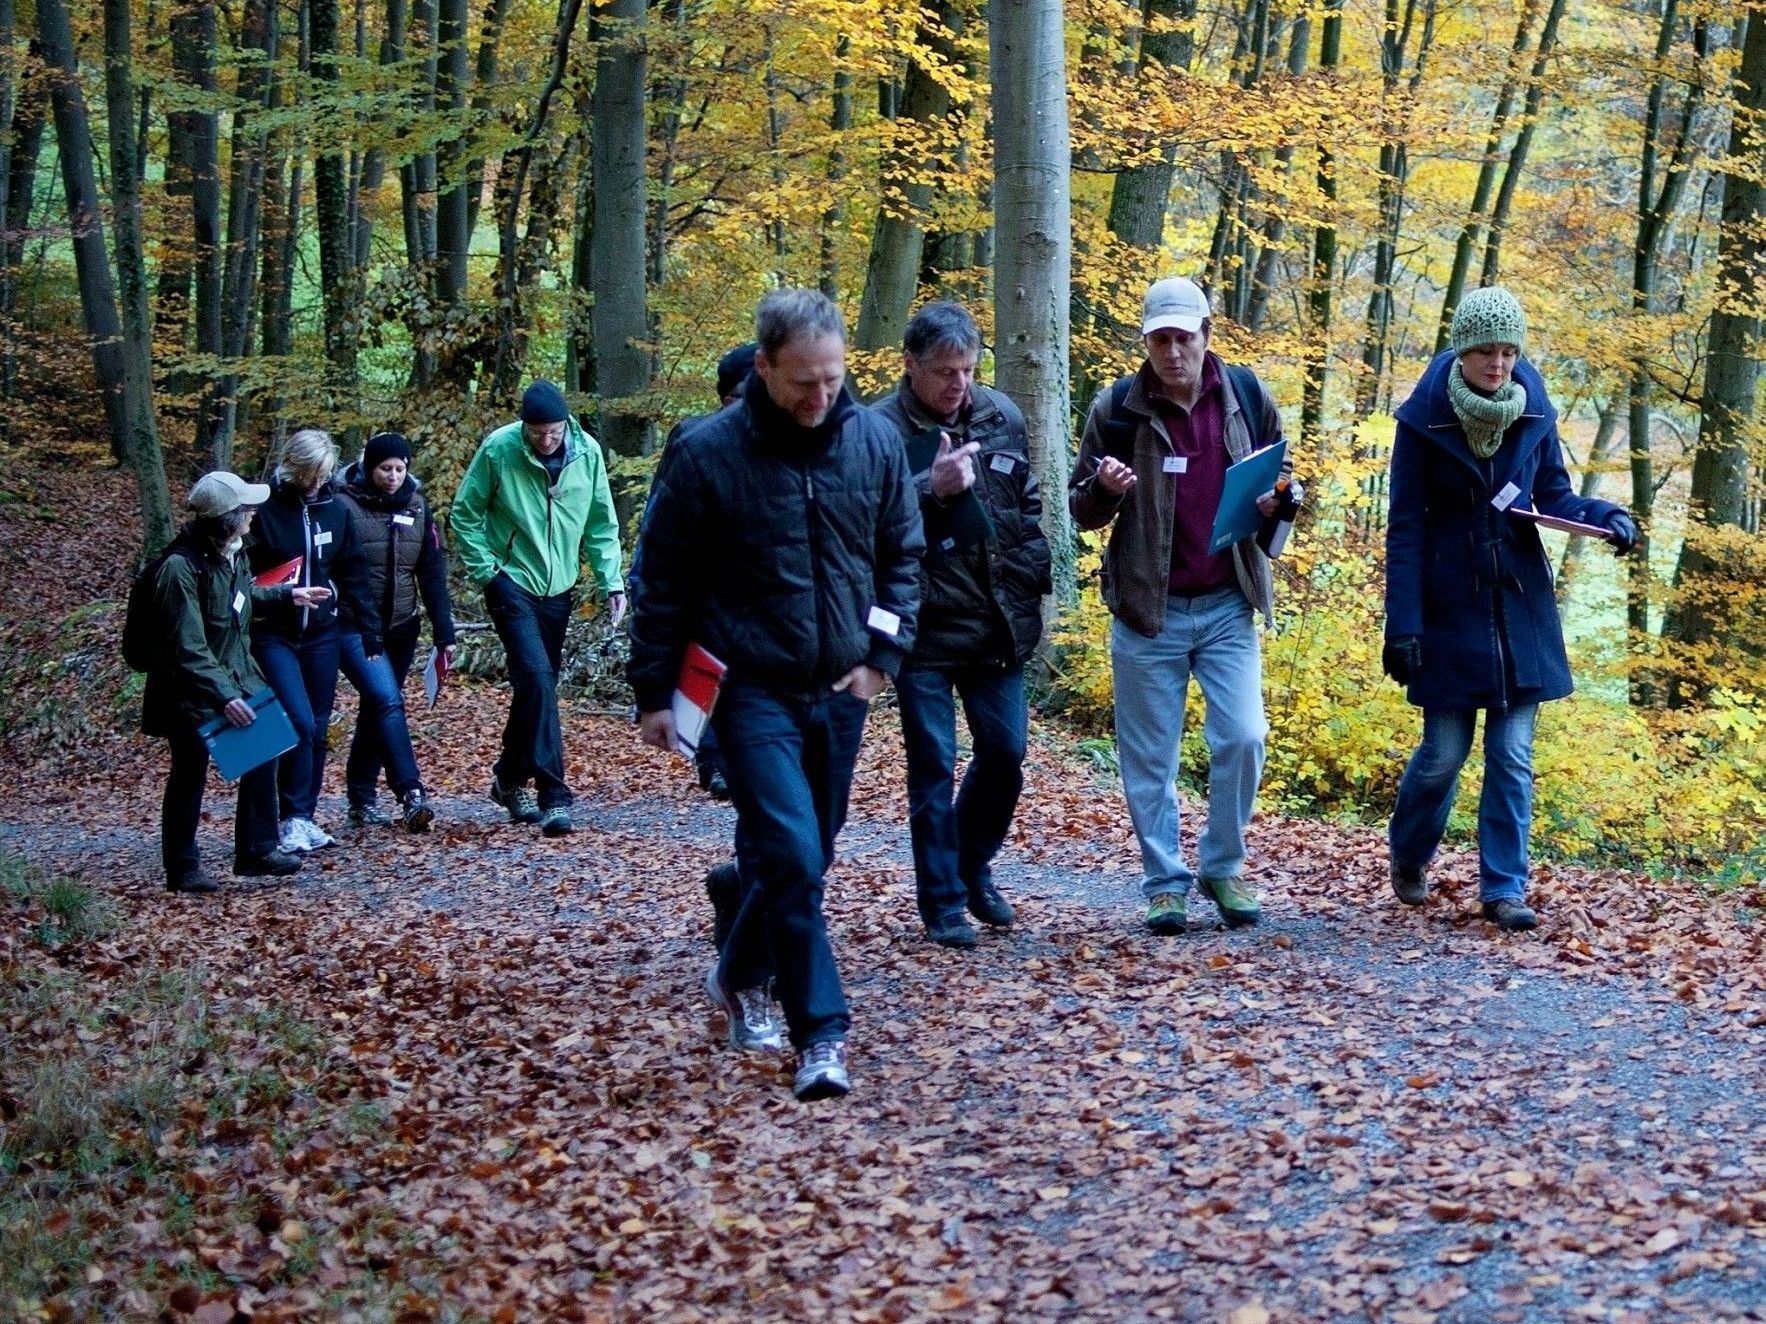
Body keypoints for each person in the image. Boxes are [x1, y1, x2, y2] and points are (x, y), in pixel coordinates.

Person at [629, 289, 924, 1102]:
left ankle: (736, 970)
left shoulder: (874, 443)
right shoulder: (707, 455)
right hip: (750, 689)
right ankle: (821, 1034)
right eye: (802, 382)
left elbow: (903, 554)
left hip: (841, 687)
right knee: (792, 855)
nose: (819, 397)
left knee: (811, 853)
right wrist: (656, 691)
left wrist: (882, 658)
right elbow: (662, 580)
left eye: (832, 379)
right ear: (762, 367)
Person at [1383, 286, 1638, 932]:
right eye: (1484, 352)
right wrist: (1403, 624)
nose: (1498, 364)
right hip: (1446, 613)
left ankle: (1503, 887)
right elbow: (1406, 528)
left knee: (1513, 754)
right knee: (1442, 754)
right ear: (1462, 352)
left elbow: (1555, 496)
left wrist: (1608, 518)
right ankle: (1409, 854)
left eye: (1507, 351)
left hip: (1519, 611)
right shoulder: (1423, 419)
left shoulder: (1534, 411)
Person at [1068, 275, 1293, 937]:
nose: (1172, 352)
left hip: (1228, 603)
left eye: (1183, 337)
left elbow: (1283, 481)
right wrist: (1105, 491)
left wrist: (1281, 502)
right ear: (1146, 342)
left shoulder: (1246, 398)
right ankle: (1164, 884)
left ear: (1206, 336)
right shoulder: (1117, 409)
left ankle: (1222, 865)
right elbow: (1079, 510)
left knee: (1245, 736)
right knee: (1149, 760)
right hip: (1146, 610)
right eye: (1159, 339)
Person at [871, 301, 1051, 948]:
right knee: (933, 764)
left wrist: (1033, 569)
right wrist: (931, 488)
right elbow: (863, 527)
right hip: (920, 627)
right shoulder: (874, 431)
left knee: (1005, 754)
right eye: (945, 371)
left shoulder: (1002, 416)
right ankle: (942, 901)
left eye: (969, 370)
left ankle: (971, 864)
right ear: (910, 365)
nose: (959, 384)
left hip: (996, 619)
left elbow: (1026, 501)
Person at [451, 380, 625, 837]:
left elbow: (602, 523)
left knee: (536, 686)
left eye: (551, 432)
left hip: (560, 585)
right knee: (538, 677)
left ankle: (509, 778)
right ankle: (554, 794)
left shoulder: (587, 453)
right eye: (535, 432)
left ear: (565, 424)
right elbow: (464, 513)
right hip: (511, 582)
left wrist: (612, 581)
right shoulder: (499, 449)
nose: (544, 441)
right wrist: (488, 571)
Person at [143, 472, 329, 892]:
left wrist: (286, 595)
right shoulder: (178, 569)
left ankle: (257, 850)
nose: (253, 514)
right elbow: (188, 648)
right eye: (246, 509)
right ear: (226, 517)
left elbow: (239, 593)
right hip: (186, 690)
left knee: (265, 748)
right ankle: (183, 868)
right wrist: (225, 697)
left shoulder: (234, 551)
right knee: (189, 772)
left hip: (232, 673)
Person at [246, 428, 387, 854]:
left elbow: (353, 570)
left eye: (322, 476)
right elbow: (240, 575)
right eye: (308, 475)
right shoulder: (263, 508)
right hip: (275, 632)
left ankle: (301, 817)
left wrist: (369, 629)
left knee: (319, 726)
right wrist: (284, 595)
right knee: (299, 721)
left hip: (323, 632)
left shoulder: (334, 508)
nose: (314, 484)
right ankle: (280, 818)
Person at [335, 431, 457, 831]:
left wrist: (445, 634)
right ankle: (412, 792)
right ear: (369, 468)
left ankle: (361, 797)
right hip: (353, 625)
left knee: (378, 705)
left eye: (399, 469)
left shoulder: (418, 508)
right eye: (385, 469)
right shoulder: (343, 505)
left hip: (402, 625)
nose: (392, 477)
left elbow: (432, 573)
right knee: (387, 699)